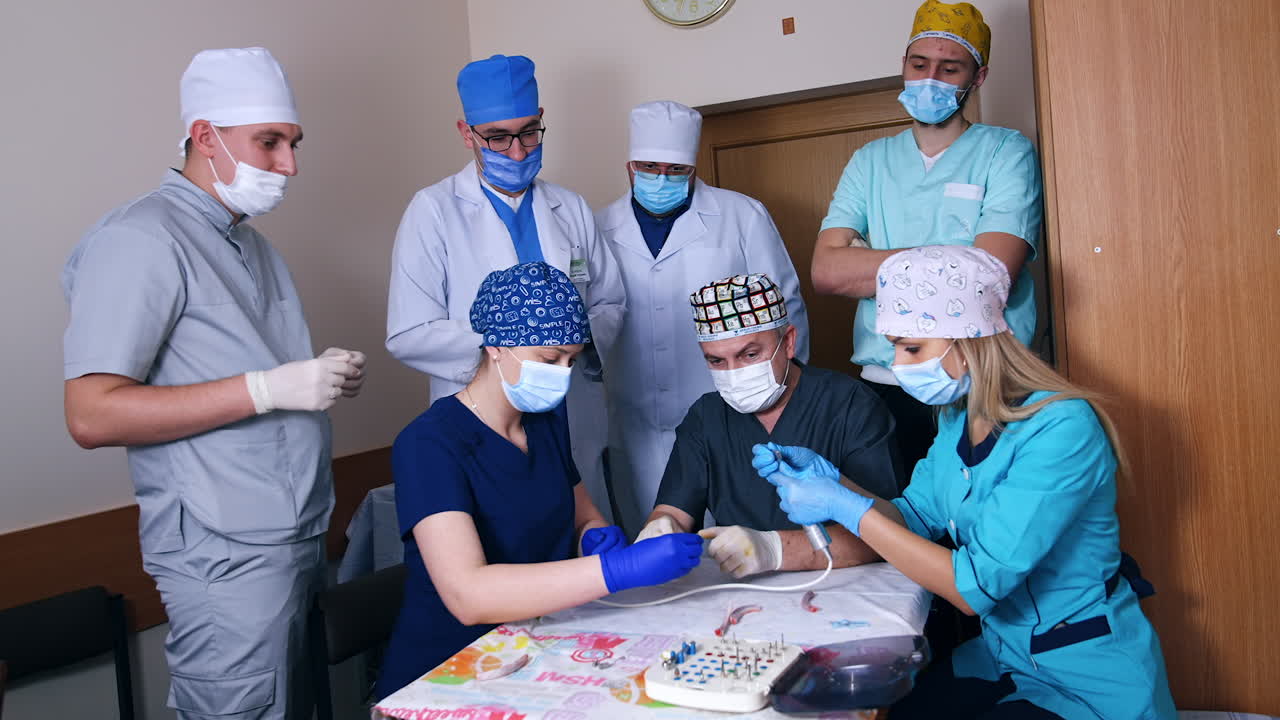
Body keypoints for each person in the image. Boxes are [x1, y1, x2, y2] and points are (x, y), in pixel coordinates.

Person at [61, 47, 366, 720]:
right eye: (270, 143)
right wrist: (269, 388)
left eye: (293, 143)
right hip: (221, 552)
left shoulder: (251, 246)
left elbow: (239, 372)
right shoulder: (139, 241)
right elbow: (90, 415)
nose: (289, 164)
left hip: (295, 534)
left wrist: (313, 383)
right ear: (205, 136)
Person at [758, 246, 1175, 719]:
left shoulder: (1062, 428)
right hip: (1003, 655)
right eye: (895, 345)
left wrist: (849, 508)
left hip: (1080, 673)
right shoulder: (960, 418)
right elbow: (913, 517)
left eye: (911, 347)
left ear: (970, 339)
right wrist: (839, 486)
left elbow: (974, 588)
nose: (897, 364)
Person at [377, 263, 701, 699]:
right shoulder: (429, 444)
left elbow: (582, 514)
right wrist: (616, 570)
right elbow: (468, 594)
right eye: (550, 359)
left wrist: (596, 535)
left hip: (540, 644)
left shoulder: (543, 422)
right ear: (496, 346)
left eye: (572, 359)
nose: (563, 374)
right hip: (452, 667)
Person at [386, 54, 625, 527]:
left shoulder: (570, 207)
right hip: (481, 417)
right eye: (497, 137)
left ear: (540, 123)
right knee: (503, 540)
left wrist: (571, 345)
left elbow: (611, 302)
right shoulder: (434, 211)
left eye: (529, 133)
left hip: (572, 410)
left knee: (583, 532)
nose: (517, 152)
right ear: (466, 132)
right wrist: (513, 346)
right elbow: (408, 332)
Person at [812, 0, 1043, 474]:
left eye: (949, 67)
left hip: (985, 379)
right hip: (888, 382)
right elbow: (826, 272)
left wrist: (871, 264)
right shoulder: (870, 161)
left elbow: (991, 274)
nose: (930, 78)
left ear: (977, 78)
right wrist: (954, 260)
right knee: (900, 529)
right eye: (919, 65)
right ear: (903, 66)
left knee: (979, 529)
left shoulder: (1006, 152)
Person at [597, 100, 810, 536]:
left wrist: (777, 405)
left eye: (676, 170)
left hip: (729, 416)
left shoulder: (741, 215)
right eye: (649, 167)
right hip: (634, 423)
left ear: (693, 169)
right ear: (629, 166)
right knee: (652, 548)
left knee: (740, 544)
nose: (662, 178)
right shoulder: (599, 227)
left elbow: (786, 309)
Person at [634, 273, 901, 578]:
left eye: (749, 354)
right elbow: (674, 511)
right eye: (717, 362)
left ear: (788, 342)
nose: (734, 373)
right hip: (739, 589)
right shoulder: (706, 417)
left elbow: (890, 535)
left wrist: (775, 548)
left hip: (844, 584)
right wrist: (661, 526)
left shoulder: (850, 405)